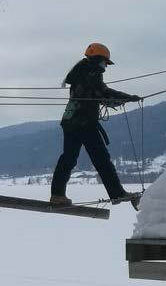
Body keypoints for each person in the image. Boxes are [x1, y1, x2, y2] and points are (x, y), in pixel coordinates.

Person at [51, 42, 142, 209]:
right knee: (102, 159)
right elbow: (102, 92)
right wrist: (127, 97)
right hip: (84, 122)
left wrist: (121, 98)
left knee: (69, 158)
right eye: (105, 63)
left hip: (71, 121)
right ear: (98, 59)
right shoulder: (90, 72)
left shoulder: (82, 71)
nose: (105, 67)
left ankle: (57, 195)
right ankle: (117, 193)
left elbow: (98, 93)